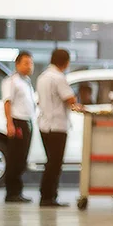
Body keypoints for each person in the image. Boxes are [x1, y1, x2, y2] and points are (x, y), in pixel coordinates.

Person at [36, 48, 83, 208]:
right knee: (55, 164)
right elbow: (70, 98)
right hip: (57, 126)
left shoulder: (42, 77)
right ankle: (48, 197)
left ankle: (46, 195)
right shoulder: (58, 77)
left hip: (44, 125)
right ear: (66, 62)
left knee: (50, 162)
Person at [2, 51, 37, 203]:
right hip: (17, 122)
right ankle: (11, 193)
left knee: (22, 158)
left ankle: (17, 192)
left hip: (27, 121)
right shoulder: (11, 81)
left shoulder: (26, 81)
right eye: (26, 63)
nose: (29, 66)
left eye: (31, 63)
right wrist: (9, 123)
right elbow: (7, 102)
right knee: (15, 158)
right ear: (17, 64)